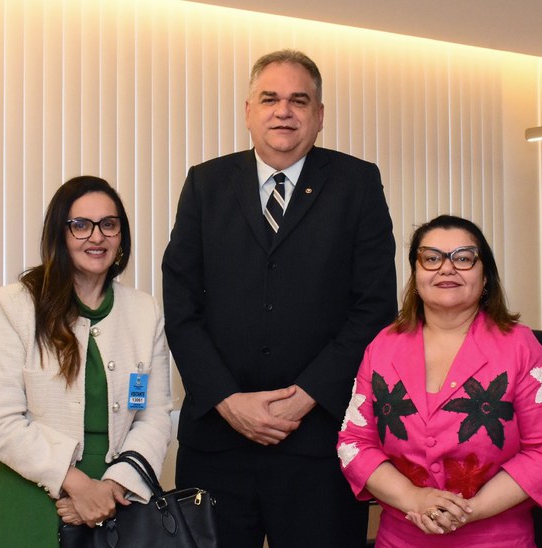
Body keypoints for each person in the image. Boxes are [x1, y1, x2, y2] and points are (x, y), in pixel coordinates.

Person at [162, 49, 398, 548]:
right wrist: (227, 400)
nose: (283, 110)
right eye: (269, 98)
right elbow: (181, 307)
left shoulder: (357, 183)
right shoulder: (206, 184)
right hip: (217, 445)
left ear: (319, 116)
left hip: (318, 444)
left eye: (299, 100)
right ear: (248, 110)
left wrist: (305, 397)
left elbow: (374, 308)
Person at [337, 214, 542, 547]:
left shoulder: (520, 346)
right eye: (431, 258)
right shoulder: (382, 346)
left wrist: (469, 511)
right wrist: (412, 498)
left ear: (485, 275)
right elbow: (355, 444)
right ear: (416, 275)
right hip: (401, 539)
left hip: (496, 538)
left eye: (463, 258)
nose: (446, 268)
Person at [0, 176, 172, 547]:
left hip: (118, 502)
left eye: (109, 224)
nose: (96, 237)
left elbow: (154, 414)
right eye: (80, 225)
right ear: (60, 234)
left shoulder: (144, 311)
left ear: (121, 236)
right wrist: (78, 486)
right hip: (31, 500)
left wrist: (113, 488)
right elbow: (0, 422)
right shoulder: (16, 305)